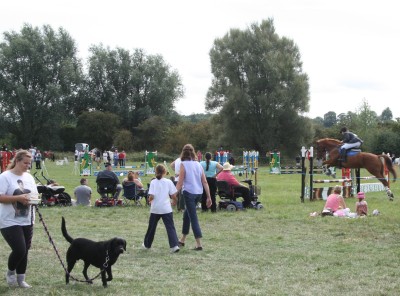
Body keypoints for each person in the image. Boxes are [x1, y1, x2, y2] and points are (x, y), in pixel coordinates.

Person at [0, 150, 38, 288]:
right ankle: (11, 273)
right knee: (20, 249)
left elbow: (34, 195)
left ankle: (21, 279)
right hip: (9, 220)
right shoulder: (5, 177)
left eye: (30, 163)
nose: (28, 166)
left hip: (27, 219)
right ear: (17, 161)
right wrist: (18, 198)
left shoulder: (29, 177)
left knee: (26, 250)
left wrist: (33, 200)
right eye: (25, 163)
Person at [176, 144, 211, 251]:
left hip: (189, 193)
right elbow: (204, 181)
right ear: (193, 152)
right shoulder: (198, 164)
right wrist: (209, 197)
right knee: (187, 215)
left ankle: (198, 244)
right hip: (198, 193)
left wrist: (173, 194)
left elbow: (180, 182)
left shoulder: (183, 164)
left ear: (183, 152)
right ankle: (182, 240)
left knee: (193, 217)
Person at [142, 164, 180, 253]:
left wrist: (149, 200)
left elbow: (151, 196)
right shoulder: (169, 182)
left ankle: (147, 245)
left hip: (155, 209)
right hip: (166, 208)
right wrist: (175, 201)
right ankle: (174, 246)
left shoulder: (153, 182)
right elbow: (173, 195)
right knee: (170, 227)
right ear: (165, 172)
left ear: (156, 172)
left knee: (151, 227)